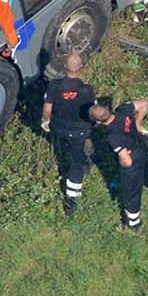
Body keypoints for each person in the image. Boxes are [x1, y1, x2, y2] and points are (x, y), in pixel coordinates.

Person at [91, 95, 148, 230]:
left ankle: (134, 223)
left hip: (133, 160)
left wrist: (123, 167)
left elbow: (126, 160)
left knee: (131, 192)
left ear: (98, 122)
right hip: (141, 146)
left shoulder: (113, 137)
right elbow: (144, 103)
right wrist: (138, 125)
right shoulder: (123, 110)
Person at [39, 51, 96, 216]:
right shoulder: (87, 90)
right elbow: (92, 112)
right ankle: (71, 199)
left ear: (64, 67)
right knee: (77, 163)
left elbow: (47, 107)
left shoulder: (54, 86)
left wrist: (46, 121)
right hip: (79, 131)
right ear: (81, 68)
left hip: (59, 127)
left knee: (67, 148)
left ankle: (73, 157)